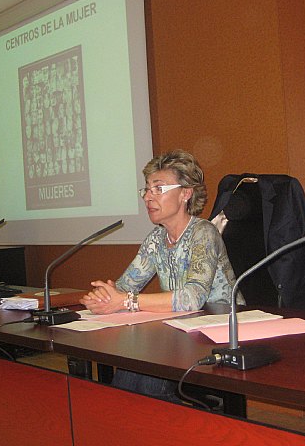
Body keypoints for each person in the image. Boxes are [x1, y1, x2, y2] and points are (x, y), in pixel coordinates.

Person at [80, 149, 242, 402]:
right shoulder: (155, 239)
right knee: (133, 363)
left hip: (219, 332)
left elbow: (192, 299)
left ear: (186, 193)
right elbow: (125, 287)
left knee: (145, 373)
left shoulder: (204, 233)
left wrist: (125, 301)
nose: (148, 197)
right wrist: (104, 298)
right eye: (146, 189)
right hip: (180, 331)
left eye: (158, 189)